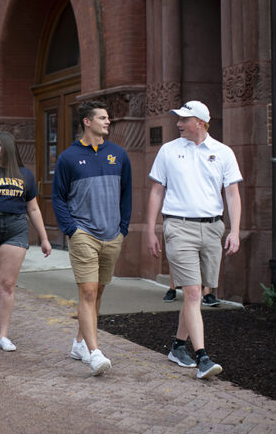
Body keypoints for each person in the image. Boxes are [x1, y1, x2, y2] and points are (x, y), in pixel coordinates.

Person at [146, 100, 242, 380]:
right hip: (179, 227)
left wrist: (234, 230)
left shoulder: (223, 152)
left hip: (213, 229)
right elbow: (156, 191)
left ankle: (177, 346)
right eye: (178, 119)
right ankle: (202, 357)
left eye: (184, 120)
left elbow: (233, 194)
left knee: (196, 294)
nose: (178, 123)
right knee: (191, 292)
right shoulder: (168, 151)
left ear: (200, 122)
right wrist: (151, 230)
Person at [52, 101, 132, 376]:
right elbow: (59, 197)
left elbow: (126, 194)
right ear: (87, 122)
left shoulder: (119, 155)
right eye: (102, 118)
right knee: (87, 291)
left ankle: (79, 343)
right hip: (83, 232)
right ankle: (95, 353)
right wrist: (71, 229)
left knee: (97, 292)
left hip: (112, 234)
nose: (108, 122)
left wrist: (123, 227)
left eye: (108, 118)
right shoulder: (68, 157)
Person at [0, 131, 51, 352]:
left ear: (8, 148)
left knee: (6, 285)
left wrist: (44, 238)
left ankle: (3, 335)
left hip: (15, 229)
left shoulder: (24, 174)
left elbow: (33, 208)